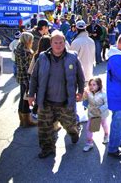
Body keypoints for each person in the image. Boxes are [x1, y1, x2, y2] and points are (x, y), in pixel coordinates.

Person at [28, 31, 85, 159]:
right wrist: (31, 95)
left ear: (65, 43)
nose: (58, 45)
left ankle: (74, 133)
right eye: (55, 42)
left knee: (70, 125)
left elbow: (80, 77)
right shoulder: (42, 57)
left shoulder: (73, 57)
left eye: (61, 42)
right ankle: (47, 149)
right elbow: (34, 78)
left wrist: (81, 92)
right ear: (51, 43)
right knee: (44, 128)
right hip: (46, 101)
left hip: (66, 102)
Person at [14, 32, 37, 127]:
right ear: (27, 40)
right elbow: (27, 67)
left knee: (22, 98)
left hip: (21, 75)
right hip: (26, 77)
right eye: (31, 40)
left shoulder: (18, 48)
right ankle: (26, 120)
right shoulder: (25, 51)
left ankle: (22, 119)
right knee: (25, 98)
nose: (32, 42)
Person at [83, 77, 110, 152]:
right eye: (90, 84)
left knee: (104, 124)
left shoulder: (103, 93)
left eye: (94, 85)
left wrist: (99, 110)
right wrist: (84, 95)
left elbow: (107, 104)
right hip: (92, 114)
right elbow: (84, 100)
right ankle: (89, 143)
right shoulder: (88, 92)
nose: (91, 86)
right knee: (89, 128)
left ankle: (106, 135)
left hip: (102, 114)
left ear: (99, 85)